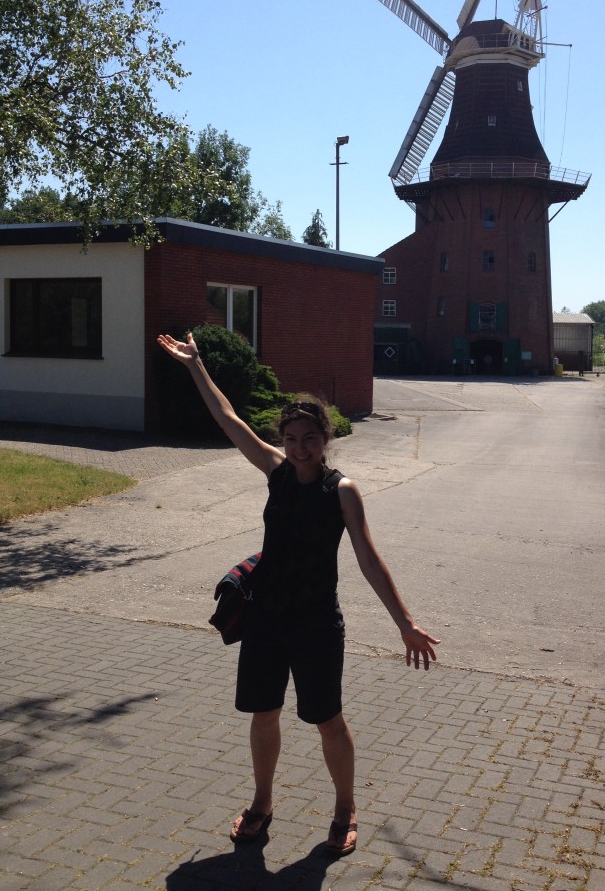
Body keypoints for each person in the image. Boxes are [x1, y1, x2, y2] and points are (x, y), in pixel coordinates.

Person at [157, 332, 439, 857]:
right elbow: (228, 420)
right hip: (266, 618)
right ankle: (262, 804)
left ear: (324, 439)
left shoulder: (342, 491)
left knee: (327, 718)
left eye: (308, 438)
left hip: (315, 623)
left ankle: (343, 809)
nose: (298, 448)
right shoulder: (276, 473)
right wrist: (195, 365)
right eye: (290, 438)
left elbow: (369, 560)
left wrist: (404, 622)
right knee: (263, 714)